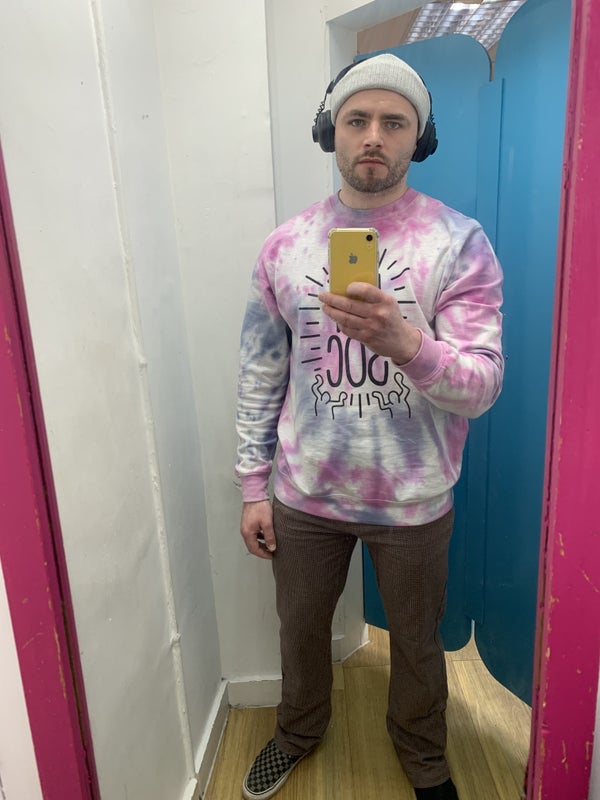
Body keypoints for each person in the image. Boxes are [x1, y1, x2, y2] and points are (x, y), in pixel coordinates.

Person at [235, 53, 504, 800]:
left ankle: (423, 757)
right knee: (299, 631)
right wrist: (253, 486)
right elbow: (260, 373)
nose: (374, 136)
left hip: (414, 502)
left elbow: (482, 386)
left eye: (395, 122)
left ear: (420, 137)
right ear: (332, 131)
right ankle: (297, 732)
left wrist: (407, 344)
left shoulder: (459, 242)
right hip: (303, 493)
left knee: (417, 644)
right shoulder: (285, 246)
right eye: (357, 120)